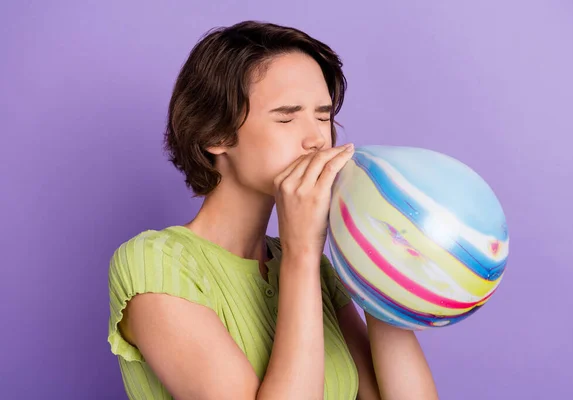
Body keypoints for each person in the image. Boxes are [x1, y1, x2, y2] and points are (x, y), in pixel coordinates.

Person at [107, 20, 438, 400]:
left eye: (323, 115)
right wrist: (301, 251)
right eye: (287, 116)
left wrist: (379, 271)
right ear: (216, 133)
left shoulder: (318, 271)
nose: (317, 139)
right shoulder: (154, 266)